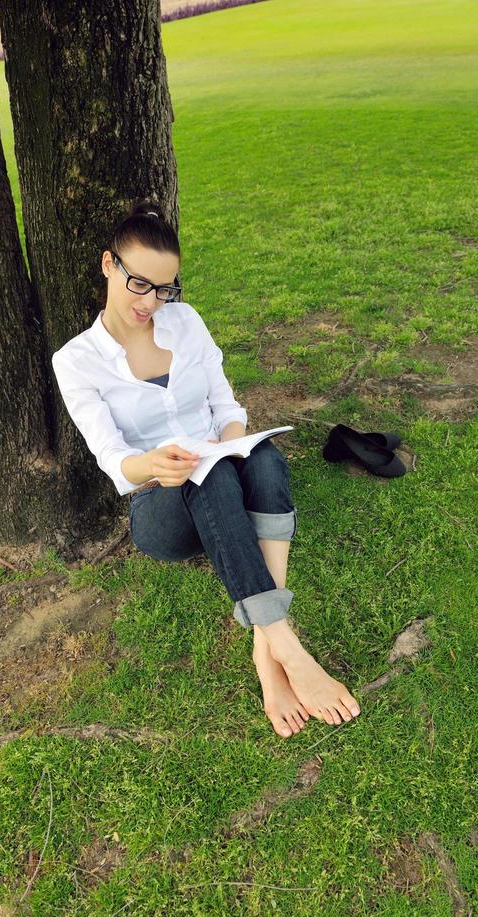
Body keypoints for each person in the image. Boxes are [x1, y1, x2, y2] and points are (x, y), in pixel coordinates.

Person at [52, 199, 361, 738]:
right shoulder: (76, 360)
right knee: (206, 471)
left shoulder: (186, 323)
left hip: (219, 480)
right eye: (139, 284)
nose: (152, 301)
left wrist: (232, 444)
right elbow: (111, 459)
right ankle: (286, 646)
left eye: (165, 288)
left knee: (259, 457)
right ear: (109, 265)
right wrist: (153, 462)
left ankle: (269, 646)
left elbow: (226, 406)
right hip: (159, 507)